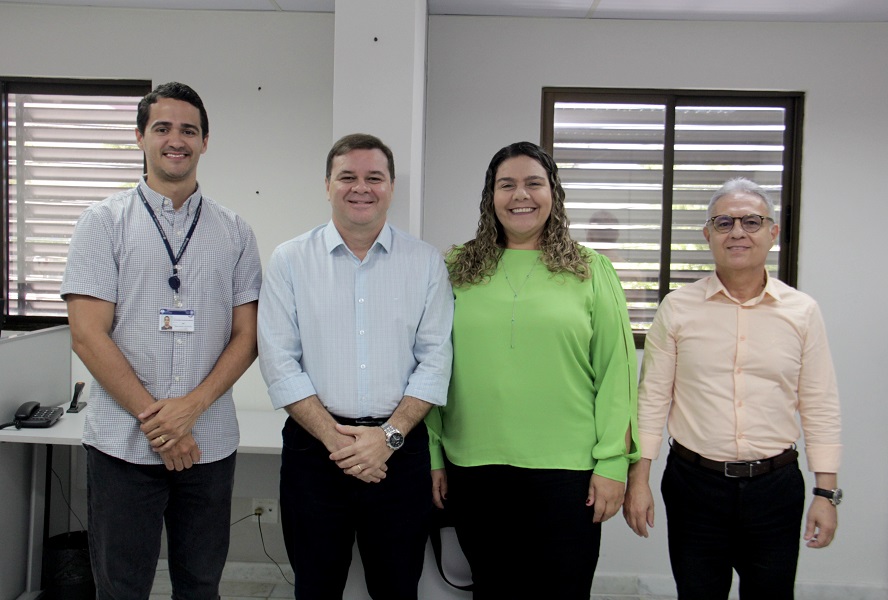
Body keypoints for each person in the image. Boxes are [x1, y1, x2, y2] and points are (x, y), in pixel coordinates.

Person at [61, 81, 262, 600]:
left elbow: (248, 334)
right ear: (140, 137)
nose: (177, 139)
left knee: (200, 584)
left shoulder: (235, 231)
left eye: (189, 130)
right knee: (121, 587)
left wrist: (190, 410)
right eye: (163, 128)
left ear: (205, 142)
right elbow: (87, 334)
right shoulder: (102, 223)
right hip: (122, 446)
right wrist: (161, 422)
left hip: (209, 444)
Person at [427, 141, 639, 599]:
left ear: (553, 194)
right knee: (492, 589)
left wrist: (612, 463)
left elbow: (617, 374)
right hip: (474, 467)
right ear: (491, 196)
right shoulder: (455, 268)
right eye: (507, 185)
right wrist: (433, 454)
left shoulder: (591, 269)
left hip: (568, 472)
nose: (520, 195)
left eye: (533, 183)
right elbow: (430, 365)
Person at [624, 177, 842, 599]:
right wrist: (639, 480)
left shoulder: (802, 312)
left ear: (772, 233)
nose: (738, 232)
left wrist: (826, 492)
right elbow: (651, 398)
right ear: (708, 234)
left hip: (775, 488)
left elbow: (820, 403)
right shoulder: (678, 307)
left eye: (751, 222)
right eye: (724, 223)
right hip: (694, 485)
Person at [257, 133, 453, 600]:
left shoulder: (425, 263)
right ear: (327, 185)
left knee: (398, 587)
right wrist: (336, 440)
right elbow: (278, 360)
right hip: (314, 454)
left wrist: (385, 440)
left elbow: (436, 359)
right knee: (316, 587)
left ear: (390, 188)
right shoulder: (289, 260)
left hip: (399, 455)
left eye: (374, 177)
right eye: (347, 176)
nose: (360, 187)